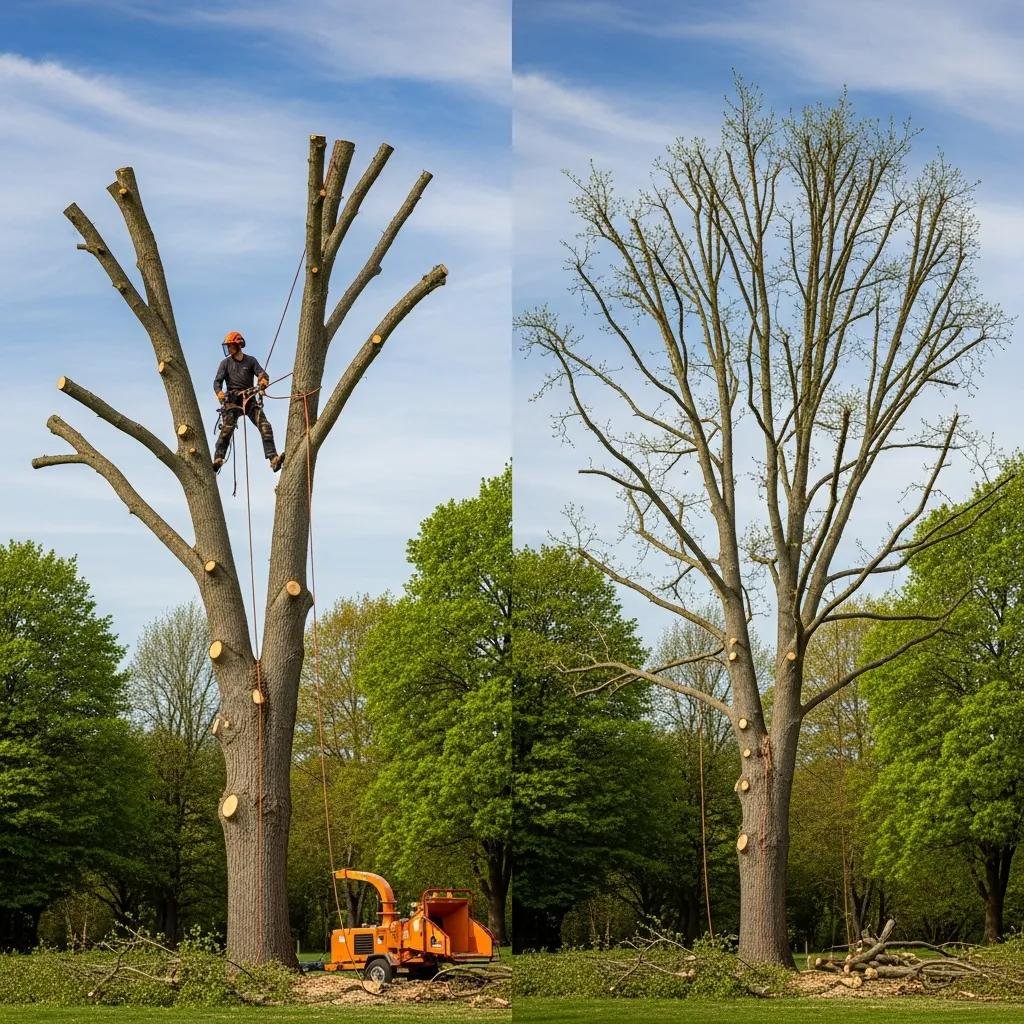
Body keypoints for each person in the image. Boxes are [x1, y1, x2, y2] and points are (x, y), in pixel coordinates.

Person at [212, 331, 284, 472]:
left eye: (230, 346)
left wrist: (263, 381)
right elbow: (217, 382)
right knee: (227, 429)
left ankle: (273, 459)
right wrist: (219, 393)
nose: (229, 349)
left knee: (265, 426)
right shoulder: (225, 363)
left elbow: (262, 374)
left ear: (238, 345)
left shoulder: (251, 361)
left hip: (249, 398)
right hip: (233, 401)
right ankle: (218, 458)